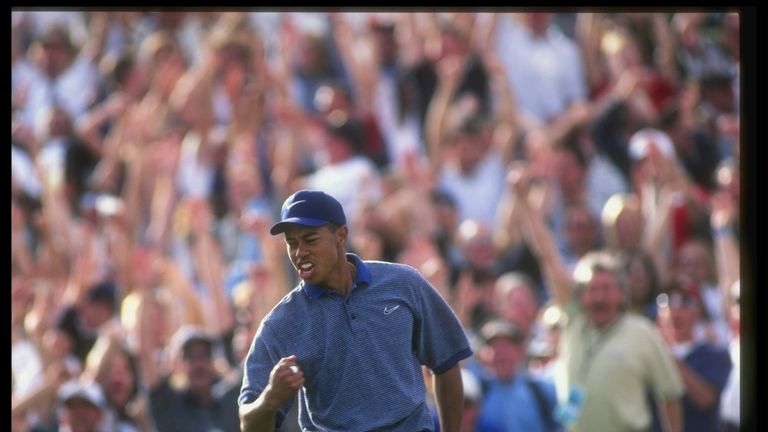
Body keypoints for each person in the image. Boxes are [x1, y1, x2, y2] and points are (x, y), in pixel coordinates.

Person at [239, 189, 471, 431]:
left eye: (310, 239)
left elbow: (446, 362)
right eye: (292, 243)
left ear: (341, 235)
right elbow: (248, 422)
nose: (300, 252)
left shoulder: (403, 282)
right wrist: (270, 399)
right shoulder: (280, 324)